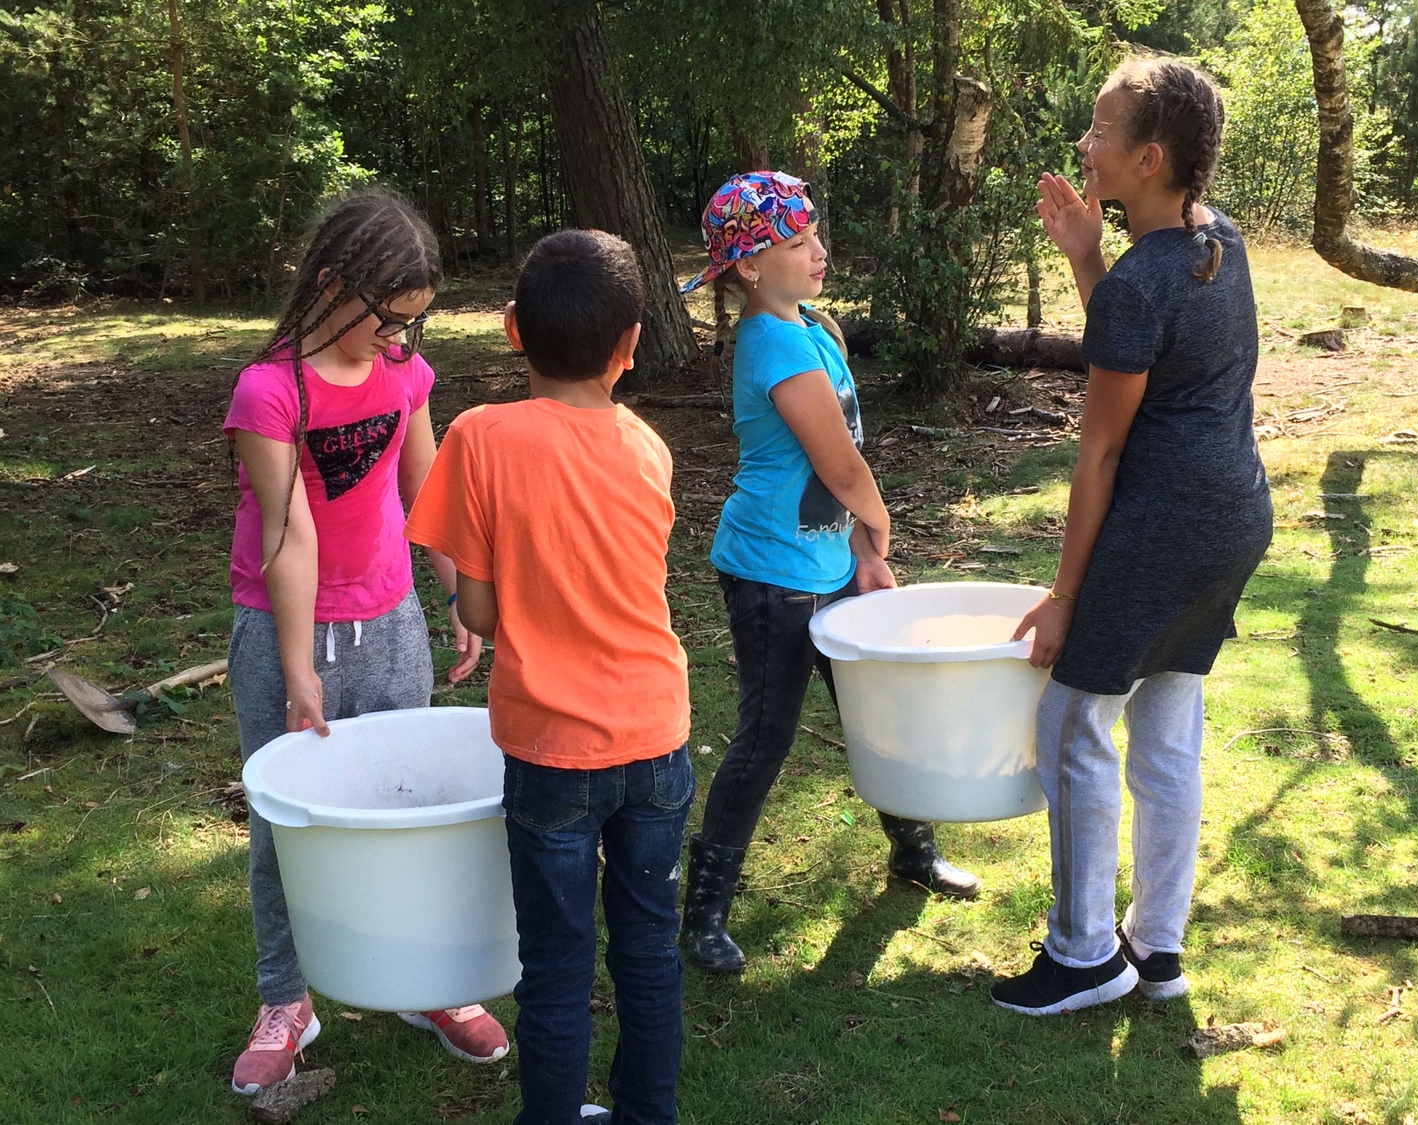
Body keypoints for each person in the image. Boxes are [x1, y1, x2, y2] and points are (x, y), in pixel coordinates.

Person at [987, 57, 1273, 1017]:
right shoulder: (1217, 240)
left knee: (1072, 722)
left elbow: (1100, 455)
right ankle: (1156, 945)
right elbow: (1136, 336)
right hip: (1232, 521)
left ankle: (1082, 956)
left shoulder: (1144, 281)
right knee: (1167, 725)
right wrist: (1086, 256)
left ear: (1148, 158)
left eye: (1100, 132)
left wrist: (1064, 599)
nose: (1085, 143)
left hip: (1163, 528)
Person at [405, 229, 693, 1125]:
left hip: (550, 750)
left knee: (557, 966)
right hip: (657, 739)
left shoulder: (478, 437)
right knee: (649, 953)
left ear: (511, 329)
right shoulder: (649, 446)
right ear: (631, 343)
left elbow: (481, 612)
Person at [224, 189, 507, 1093]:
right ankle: (286, 997)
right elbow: (288, 535)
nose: (396, 340)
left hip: (390, 624)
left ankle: (429, 982)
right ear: (332, 285)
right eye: (386, 319)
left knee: (405, 806)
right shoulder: (270, 391)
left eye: (411, 324)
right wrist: (298, 668)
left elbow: (429, 489)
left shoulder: (403, 371)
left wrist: (458, 593)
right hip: (285, 631)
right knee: (286, 824)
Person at [677, 171, 981, 975]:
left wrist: (861, 556)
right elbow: (841, 466)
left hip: (830, 562)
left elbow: (841, 466)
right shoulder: (772, 344)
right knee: (766, 735)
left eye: (816, 235)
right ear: (749, 266)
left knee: (875, 711)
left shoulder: (810, 325)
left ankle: (913, 850)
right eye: (796, 242)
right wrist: (879, 528)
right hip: (771, 574)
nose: (818, 251)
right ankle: (703, 911)